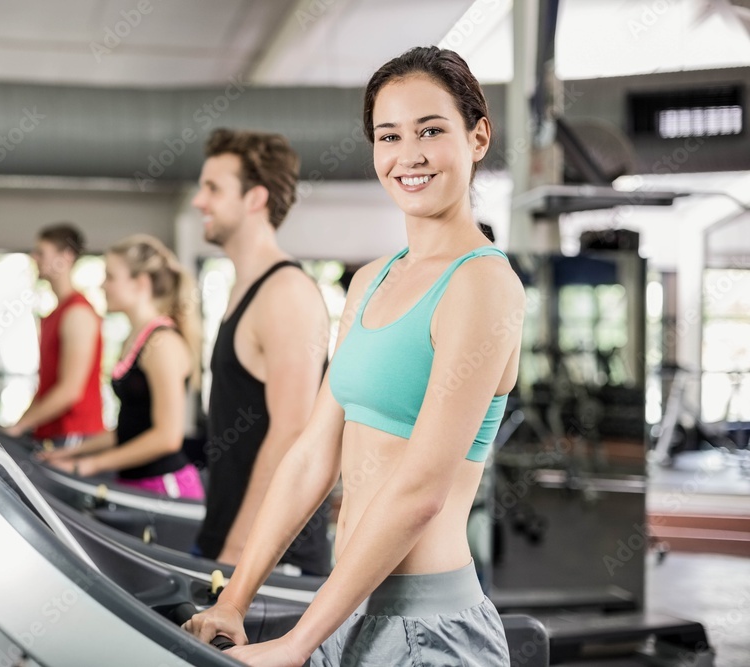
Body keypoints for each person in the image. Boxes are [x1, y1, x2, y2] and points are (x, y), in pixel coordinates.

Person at [183, 46, 524, 666]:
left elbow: (420, 489)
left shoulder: (482, 284)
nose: (408, 155)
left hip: (429, 630)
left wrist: (295, 643)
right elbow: (312, 454)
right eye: (388, 136)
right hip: (347, 609)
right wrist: (235, 596)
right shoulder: (370, 282)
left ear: (477, 138)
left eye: (430, 130)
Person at [191, 128, 332, 575]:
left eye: (213, 188)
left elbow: (292, 432)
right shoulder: (246, 288)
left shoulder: (286, 292)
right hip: (229, 542)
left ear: (255, 198)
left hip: (267, 559)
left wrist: (238, 552)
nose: (199, 201)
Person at [36, 235, 205, 500]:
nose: (102, 285)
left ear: (140, 283)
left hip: (165, 488)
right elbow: (130, 429)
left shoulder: (162, 344)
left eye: (110, 277)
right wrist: (71, 452)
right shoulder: (135, 338)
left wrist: (88, 465)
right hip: (134, 483)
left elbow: (167, 437)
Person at [7, 224, 104, 446]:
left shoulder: (77, 313)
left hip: (73, 435)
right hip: (51, 434)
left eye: (41, 252)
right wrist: (17, 426)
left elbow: (70, 390)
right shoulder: (55, 314)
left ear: (66, 257)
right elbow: (47, 388)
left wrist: (19, 427)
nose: (34, 257)